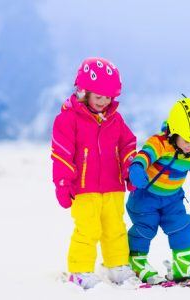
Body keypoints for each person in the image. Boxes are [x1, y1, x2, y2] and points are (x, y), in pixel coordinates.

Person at [51, 57, 137, 289]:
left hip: (113, 186)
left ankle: (116, 265)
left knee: (115, 228)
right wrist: (62, 182)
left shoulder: (115, 119)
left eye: (108, 97)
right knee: (88, 230)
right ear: (83, 91)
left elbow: (128, 145)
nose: (103, 102)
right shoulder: (68, 119)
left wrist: (131, 170)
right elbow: (61, 153)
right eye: (98, 96)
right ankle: (80, 270)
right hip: (84, 187)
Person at [126, 97, 190, 284]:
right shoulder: (159, 143)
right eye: (187, 140)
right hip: (146, 197)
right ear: (174, 130)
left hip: (173, 199)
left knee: (182, 226)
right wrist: (137, 167)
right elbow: (144, 156)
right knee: (145, 228)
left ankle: (182, 264)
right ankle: (136, 261)